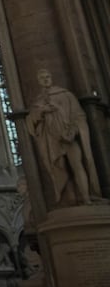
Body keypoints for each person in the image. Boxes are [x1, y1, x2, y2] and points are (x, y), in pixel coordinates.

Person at [26, 68, 101, 205]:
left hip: (68, 136)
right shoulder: (38, 101)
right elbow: (31, 123)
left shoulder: (66, 95)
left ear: (52, 77)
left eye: (47, 76)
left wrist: (73, 131)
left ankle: (86, 198)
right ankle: (68, 199)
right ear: (39, 81)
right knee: (59, 169)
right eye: (42, 78)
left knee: (77, 165)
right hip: (51, 140)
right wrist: (42, 111)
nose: (46, 79)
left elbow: (78, 115)